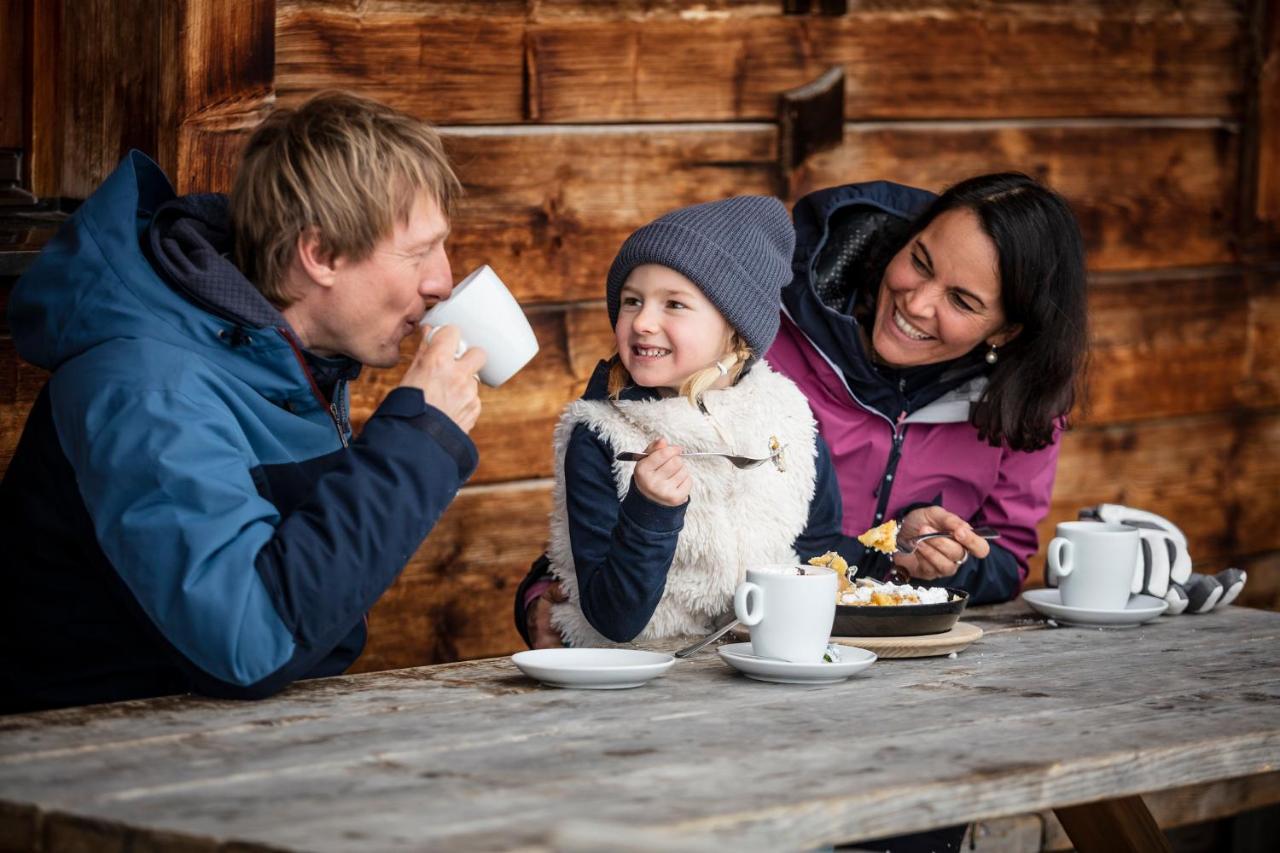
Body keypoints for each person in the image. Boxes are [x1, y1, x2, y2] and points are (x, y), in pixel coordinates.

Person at [0, 92, 486, 713]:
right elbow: (249, 645)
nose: (441, 281)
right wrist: (418, 441)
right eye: (419, 252)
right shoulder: (145, 390)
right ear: (321, 255)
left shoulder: (283, 365)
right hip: (77, 762)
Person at [517, 173, 1085, 649]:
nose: (917, 302)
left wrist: (921, 557)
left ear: (1007, 330)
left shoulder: (1021, 404)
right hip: (714, 653)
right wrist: (545, 597)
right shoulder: (759, 332)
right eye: (920, 261)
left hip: (898, 662)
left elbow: (1005, 560)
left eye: (961, 301)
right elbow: (622, 455)